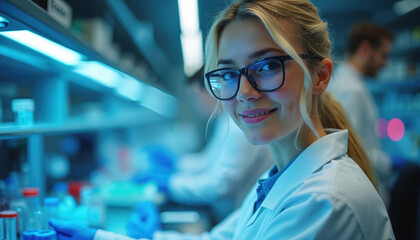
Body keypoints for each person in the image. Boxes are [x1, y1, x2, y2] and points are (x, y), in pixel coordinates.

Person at [49, 0, 395, 239]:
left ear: (319, 76)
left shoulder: (324, 203)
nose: (244, 92)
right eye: (228, 73)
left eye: (267, 66)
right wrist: (99, 237)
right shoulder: (279, 177)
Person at [132, 66, 273, 222]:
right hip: (230, 214)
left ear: (211, 91)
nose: (195, 104)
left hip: (235, 215)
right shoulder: (224, 121)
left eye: (195, 97)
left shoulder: (236, 128)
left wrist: (170, 183)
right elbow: (209, 161)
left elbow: (219, 186)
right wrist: (176, 163)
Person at [328, 23, 394, 204]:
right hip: (362, 186)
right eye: (383, 55)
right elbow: (350, 148)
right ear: (365, 49)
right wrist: (388, 162)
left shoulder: (344, 82)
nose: (385, 64)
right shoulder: (352, 90)